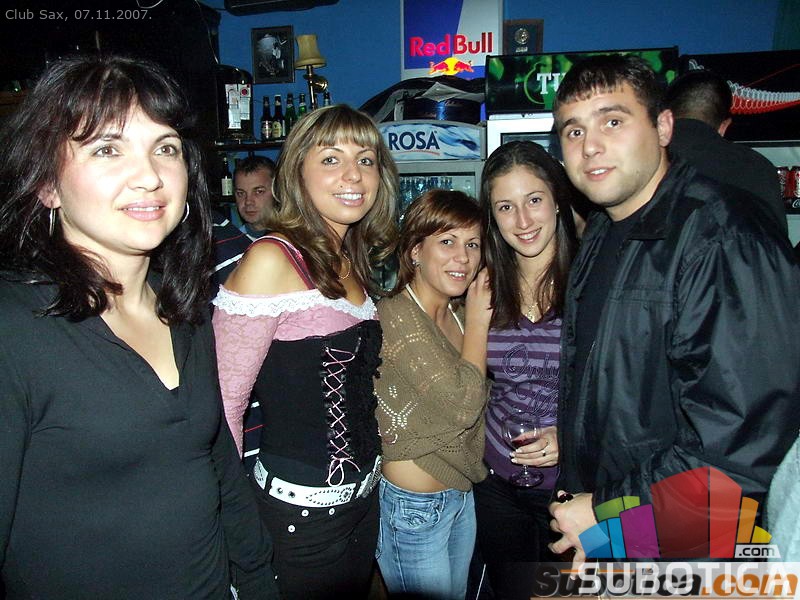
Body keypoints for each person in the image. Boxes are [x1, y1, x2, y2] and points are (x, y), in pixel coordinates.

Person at [0, 54, 277, 599]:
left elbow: (217, 462)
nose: (150, 176)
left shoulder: (185, 308)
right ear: (46, 183)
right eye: (107, 148)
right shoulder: (13, 329)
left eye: (165, 148)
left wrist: (258, 578)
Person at [548, 54, 800, 571]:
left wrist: (608, 516)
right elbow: (614, 386)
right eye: (574, 131)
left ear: (664, 127)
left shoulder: (724, 237)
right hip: (620, 528)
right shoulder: (602, 228)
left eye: (612, 121)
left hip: (683, 545)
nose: (589, 146)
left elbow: (738, 456)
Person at [212, 103, 398, 599]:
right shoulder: (271, 258)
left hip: (364, 503)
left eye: (366, 159)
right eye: (331, 159)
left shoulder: (351, 259)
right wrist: (233, 524)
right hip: (299, 517)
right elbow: (224, 405)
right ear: (297, 172)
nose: (353, 175)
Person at [373, 189, 492, 600]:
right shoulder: (397, 315)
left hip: (460, 492)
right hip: (414, 508)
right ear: (415, 251)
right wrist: (480, 322)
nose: (463, 257)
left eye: (473, 244)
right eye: (447, 241)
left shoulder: (455, 312)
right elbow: (463, 406)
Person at [472, 141, 578, 600]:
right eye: (505, 207)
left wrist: (569, 436)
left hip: (571, 490)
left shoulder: (591, 279)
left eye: (534, 199)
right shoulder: (483, 285)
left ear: (557, 200)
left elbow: (625, 392)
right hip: (497, 483)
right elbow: (470, 379)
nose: (523, 220)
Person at [664, 68, 786, 236]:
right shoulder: (758, 168)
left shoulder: (646, 157)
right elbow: (776, 245)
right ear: (724, 126)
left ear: (664, 117)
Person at [230, 155, 276, 238]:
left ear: (276, 192)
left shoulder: (293, 240)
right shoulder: (233, 241)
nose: (248, 201)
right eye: (241, 193)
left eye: (259, 192)